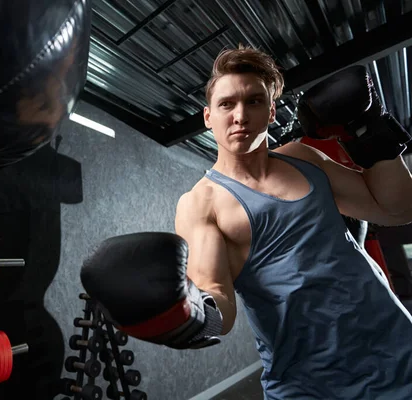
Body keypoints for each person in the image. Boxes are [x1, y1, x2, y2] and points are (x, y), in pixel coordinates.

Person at [81, 45, 412, 399]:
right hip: (312, 384)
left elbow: (395, 209)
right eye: (227, 104)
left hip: (397, 348)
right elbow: (216, 292)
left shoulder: (302, 156)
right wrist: (189, 315)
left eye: (253, 101)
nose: (240, 115)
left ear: (271, 112)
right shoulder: (200, 203)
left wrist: (367, 128)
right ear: (208, 117)